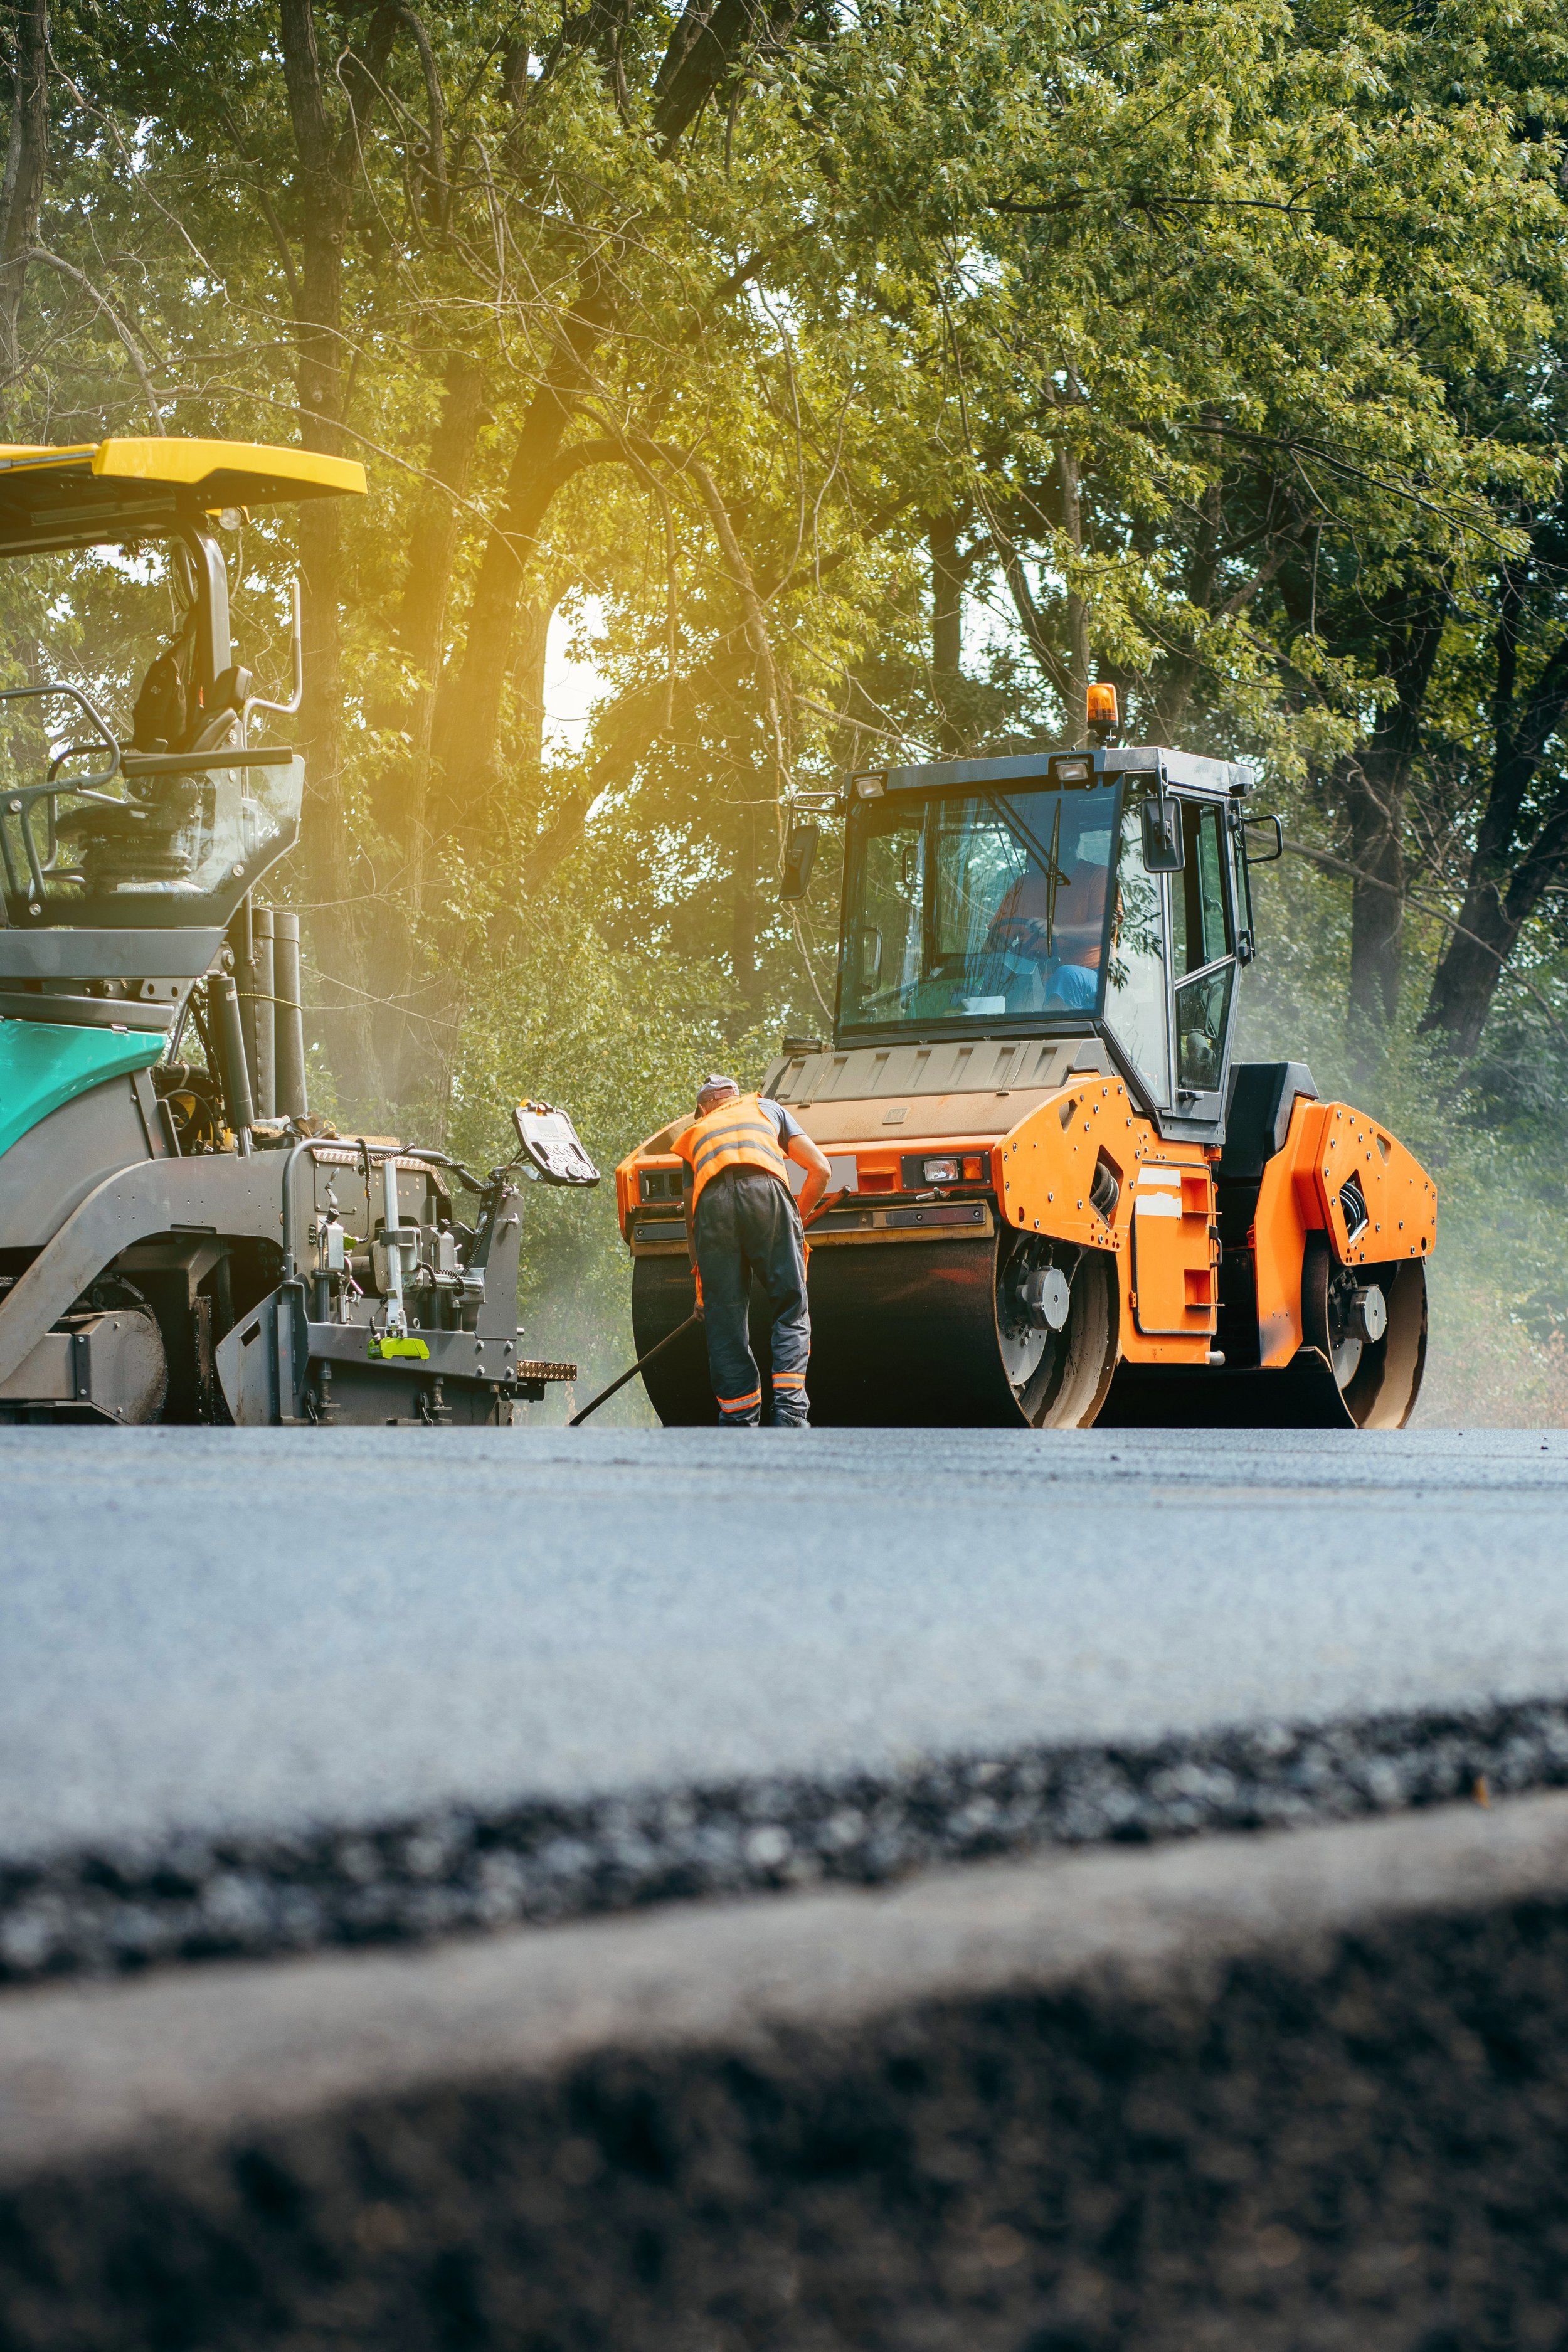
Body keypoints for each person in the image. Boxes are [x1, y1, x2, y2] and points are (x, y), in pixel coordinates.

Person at [674, 1073, 832, 1428]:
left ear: (702, 1109)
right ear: (737, 1096)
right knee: (791, 1306)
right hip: (768, 1194)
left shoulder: (696, 1133)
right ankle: (789, 1415)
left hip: (712, 1208)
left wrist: (702, 1293)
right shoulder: (766, 1108)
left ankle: (738, 1420)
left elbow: (691, 1217)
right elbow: (821, 1170)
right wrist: (795, 1225)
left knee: (724, 1319)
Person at [983, 826, 1111, 1011]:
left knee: (1067, 976)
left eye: (1044, 840)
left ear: (1071, 840)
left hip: (1092, 977)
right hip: (1033, 978)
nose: (1036, 849)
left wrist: (1057, 930)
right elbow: (995, 944)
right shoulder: (1023, 886)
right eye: (1035, 842)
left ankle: (1051, 1036)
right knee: (998, 980)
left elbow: (1105, 931)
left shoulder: (1098, 876)